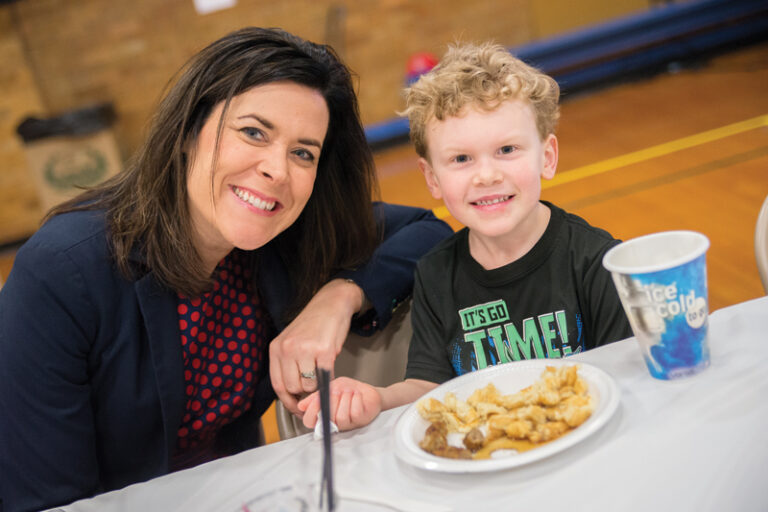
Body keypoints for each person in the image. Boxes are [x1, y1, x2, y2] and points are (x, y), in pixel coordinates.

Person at [0, 27, 452, 512]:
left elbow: (426, 233)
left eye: (303, 153)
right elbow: (43, 502)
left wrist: (337, 299)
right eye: (253, 132)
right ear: (189, 131)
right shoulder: (64, 270)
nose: (277, 170)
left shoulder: (281, 239)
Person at [299, 41, 632, 431]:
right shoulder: (436, 274)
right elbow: (429, 388)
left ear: (548, 156)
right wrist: (378, 398)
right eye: (461, 159)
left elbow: (622, 378)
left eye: (507, 149)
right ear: (432, 178)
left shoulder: (597, 261)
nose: (486, 175)